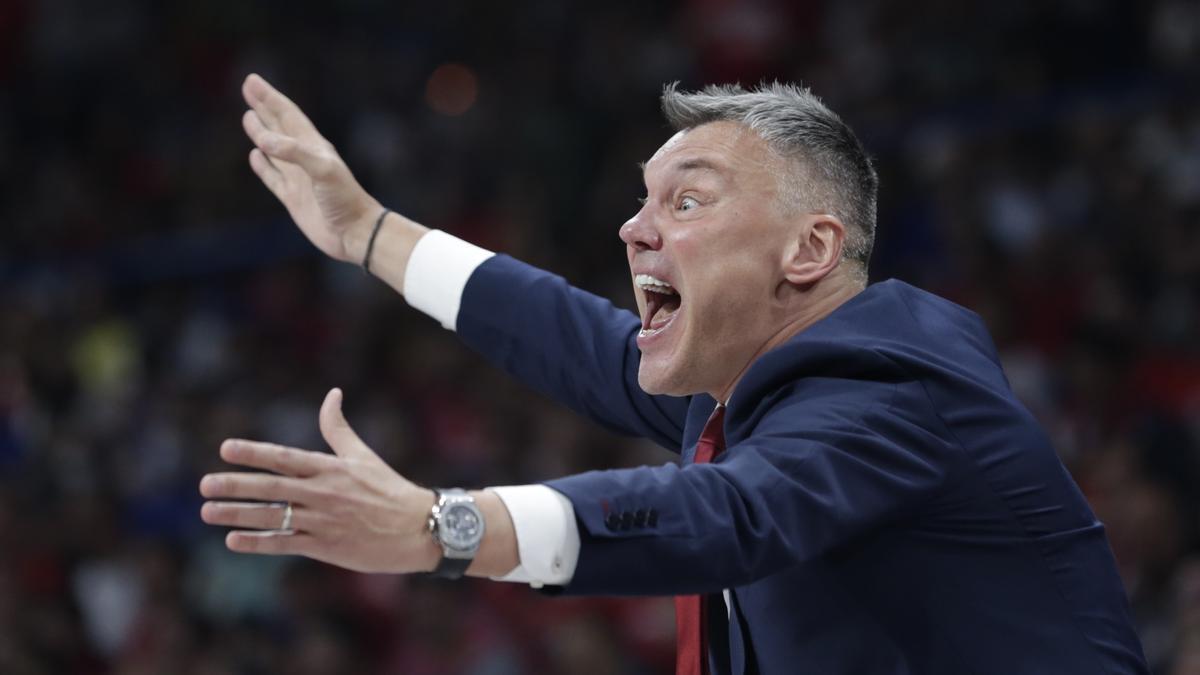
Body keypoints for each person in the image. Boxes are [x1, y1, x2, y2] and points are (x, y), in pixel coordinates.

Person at [199, 73, 1149, 674]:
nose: (634, 228)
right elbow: (574, 339)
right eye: (641, 199)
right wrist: (371, 232)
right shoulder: (756, 389)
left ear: (809, 249)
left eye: (687, 199)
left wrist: (440, 527)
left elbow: (728, 515)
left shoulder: (892, 385)